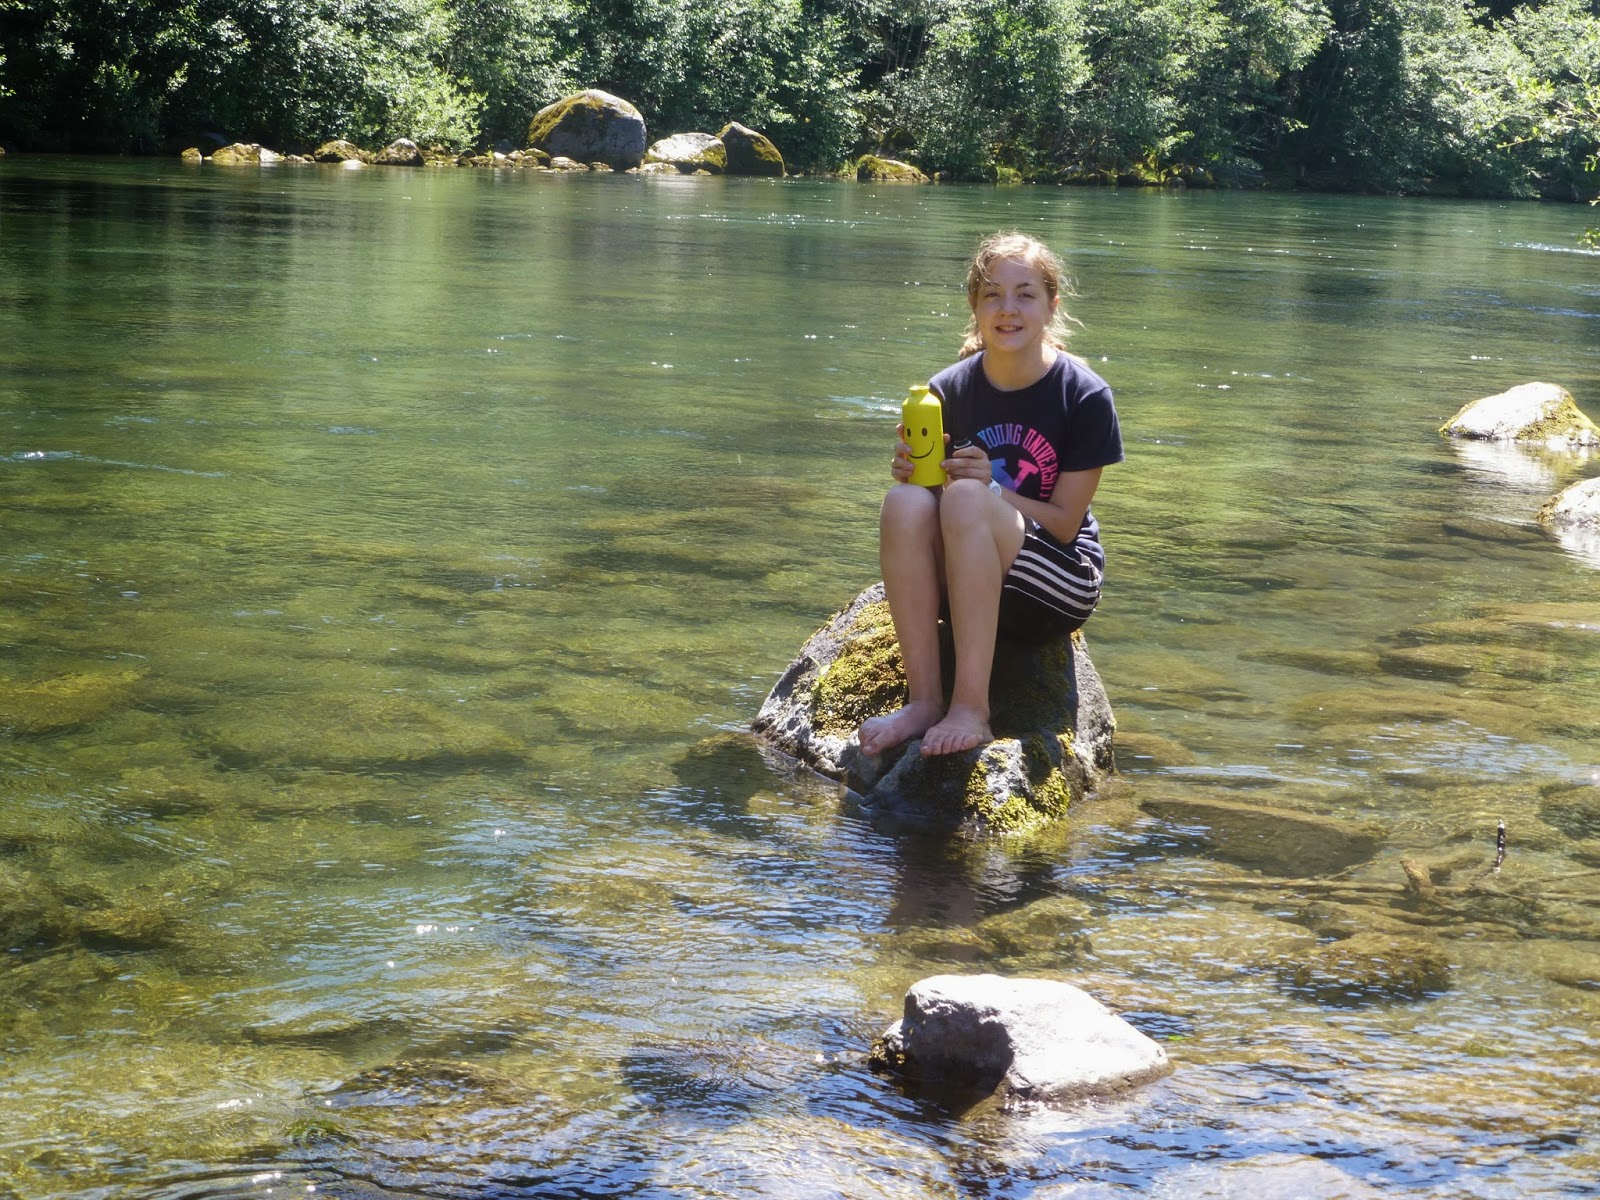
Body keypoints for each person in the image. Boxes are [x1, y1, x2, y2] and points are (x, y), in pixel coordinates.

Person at [857, 231, 1123, 758]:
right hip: (969, 575)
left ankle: (971, 710)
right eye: (992, 295)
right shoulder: (946, 391)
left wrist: (990, 488)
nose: (1008, 309)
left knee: (966, 497)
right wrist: (913, 473)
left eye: (1025, 294)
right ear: (974, 307)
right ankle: (924, 702)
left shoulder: (1083, 395)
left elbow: (1064, 523)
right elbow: (930, 506)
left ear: (1051, 305)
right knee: (904, 502)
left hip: (1056, 581)